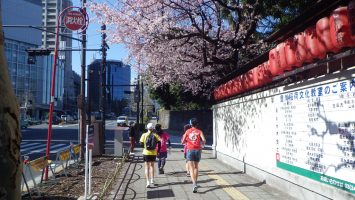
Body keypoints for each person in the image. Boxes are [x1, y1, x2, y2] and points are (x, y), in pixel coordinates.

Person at [181, 118, 206, 193]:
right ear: (197, 124)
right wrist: (202, 145)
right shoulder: (199, 131)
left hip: (190, 150)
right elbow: (204, 140)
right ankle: (196, 182)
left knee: (191, 168)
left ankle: (194, 184)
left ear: (191, 124)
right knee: (196, 167)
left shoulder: (187, 131)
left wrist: (186, 141)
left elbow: (182, 142)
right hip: (198, 150)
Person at [140, 123, 161, 188]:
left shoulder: (144, 135)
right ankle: (152, 180)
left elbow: (141, 143)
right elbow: (159, 143)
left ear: (147, 128)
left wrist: (144, 148)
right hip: (153, 153)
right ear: (153, 128)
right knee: (152, 166)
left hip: (146, 153)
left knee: (147, 167)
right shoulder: (155, 135)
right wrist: (158, 151)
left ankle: (147, 182)